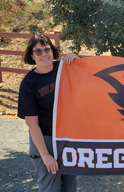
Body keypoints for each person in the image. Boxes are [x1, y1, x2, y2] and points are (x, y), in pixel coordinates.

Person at [17, 33, 80, 192]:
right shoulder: (29, 83)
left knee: (69, 185)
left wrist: (77, 59)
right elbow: (31, 123)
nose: (44, 54)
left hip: (66, 138)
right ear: (32, 55)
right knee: (50, 187)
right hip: (45, 139)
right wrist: (45, 155)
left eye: (47, 49)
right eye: (38, 51)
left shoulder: (64, 68)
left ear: (53, 51)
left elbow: (86, 76)